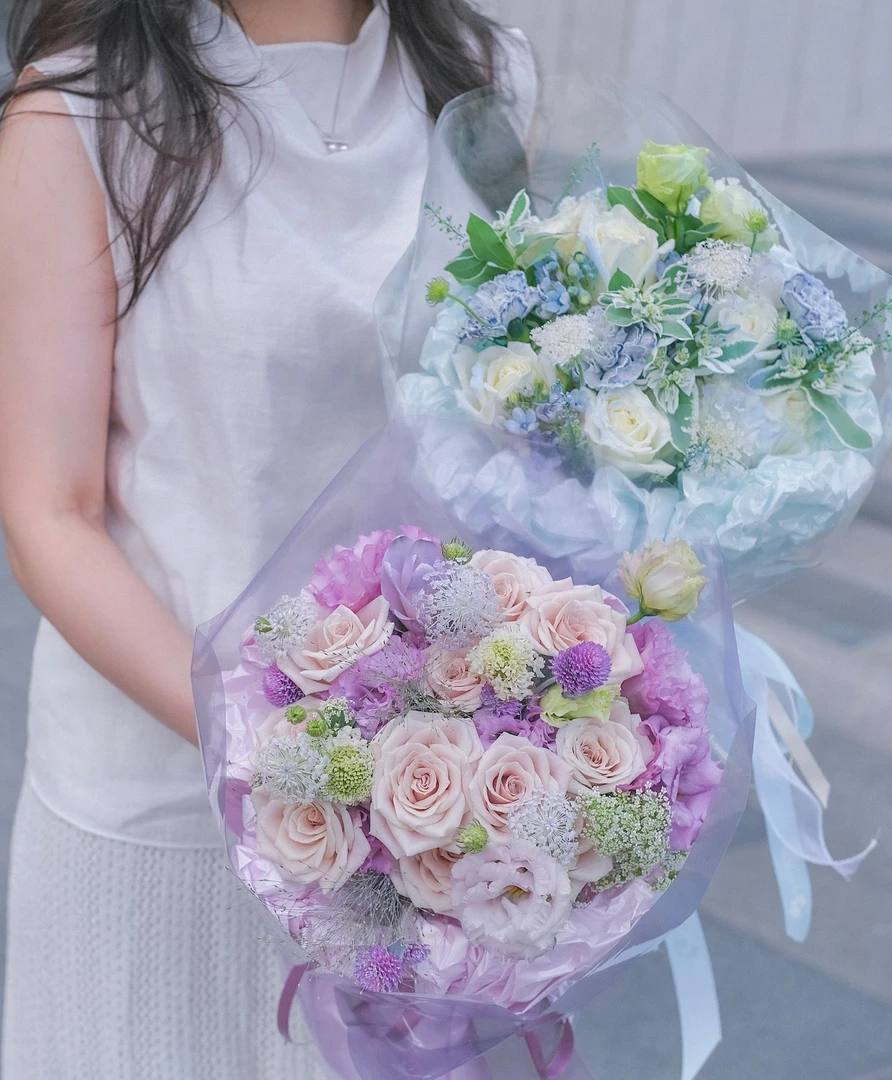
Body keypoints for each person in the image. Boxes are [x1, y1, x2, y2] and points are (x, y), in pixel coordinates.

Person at [0, 0, 532, 1074]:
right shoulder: (85, 101)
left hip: (430, 808)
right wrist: (284, 747)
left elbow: (510, 411)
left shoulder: (485, 69)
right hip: (167, 801)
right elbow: (49, 509)